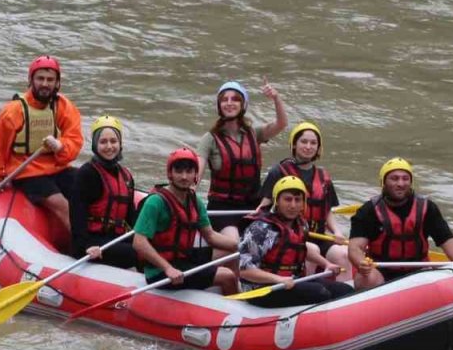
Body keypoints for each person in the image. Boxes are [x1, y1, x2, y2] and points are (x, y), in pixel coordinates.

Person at [0, 55, 83, 236]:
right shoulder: (14, 111)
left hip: (57, 168)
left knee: (89, 185)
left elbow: (75, 140)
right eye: (40, 79)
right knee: (62, 205)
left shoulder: (64, 107)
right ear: (31, 81)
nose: (45, 84)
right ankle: (81, 247)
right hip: (28, 172)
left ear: (57, 83)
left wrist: (61, 147)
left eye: (50, 80)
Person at [347, 157, 453, 290]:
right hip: (381, 270)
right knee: (367, 278)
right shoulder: (368, 211)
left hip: (418, 269)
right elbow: (355, 248)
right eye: (394, 178)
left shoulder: (427, 208)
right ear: (383, 182)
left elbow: (446, 238)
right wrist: (362, 264)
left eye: (405, 178)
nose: (401, 183)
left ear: (411, 182)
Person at [133, 147, 240, 295]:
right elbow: (139, 242)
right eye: (179, 171)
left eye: (189, 171)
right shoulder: (155, 202)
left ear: (196, 174)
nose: (184, 177)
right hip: (159, 271)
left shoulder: (195, 201)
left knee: (231, 249)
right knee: (227, 276)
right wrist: (167, 268)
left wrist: (239, 246)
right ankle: (235, 310)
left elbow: (210, 236)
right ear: (170, 174)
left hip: (185, 260)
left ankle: (239, 288)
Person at [257, 121, 350, 281]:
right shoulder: (278, 171)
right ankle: (309, 291)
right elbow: (265, 205)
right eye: (303, 141)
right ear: (294, 145)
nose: (308, 146)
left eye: (313, 143)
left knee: (343, 254)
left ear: (318, 148)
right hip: (289, 236)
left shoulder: (324, 176)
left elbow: (326, 211)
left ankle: (348, 295)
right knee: (311, 249)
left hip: (318, 235)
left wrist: (337, 232)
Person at [238, 176, 351, 308]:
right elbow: (245, 270)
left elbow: (299, 248)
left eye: (298, 200)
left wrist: (326, 264)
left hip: (291, 280)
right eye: (287, 199)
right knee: (320, 293)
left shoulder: (301, 224)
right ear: (277, 201)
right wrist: (278, 279)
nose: (293, 205)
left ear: (303, 203)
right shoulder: (261, 229)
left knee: (345, 291)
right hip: (260, 288)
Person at [196, 77, 287, 239]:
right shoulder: (209, 139)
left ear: (243, 105)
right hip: (222, 209)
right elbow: (195, 178)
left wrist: (276, 98)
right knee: (233, 240)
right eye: (224, 99)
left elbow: (281, 124)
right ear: (219, 106)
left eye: (235, 99)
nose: (229, 103)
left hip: (253, 207)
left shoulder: (255, 134)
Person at [68, 115, 138, 270]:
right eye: (103, 142)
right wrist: (85, 245)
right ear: (95, 145)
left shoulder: (126, 176)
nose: (109, 146)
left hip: (114, 238)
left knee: (150, 249)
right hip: (91, 243)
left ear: (120, 144)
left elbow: (131, 216)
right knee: (135, 253)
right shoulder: (87, 173)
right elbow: (76, 214)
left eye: (113, 141)